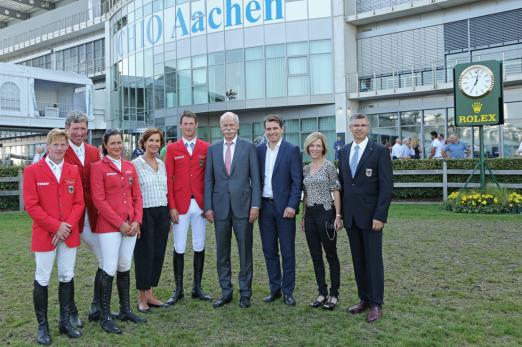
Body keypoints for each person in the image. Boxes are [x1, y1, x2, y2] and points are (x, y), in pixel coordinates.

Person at [23, 128, 85, 345]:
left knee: (67, 276)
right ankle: (43, 326)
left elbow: (79, 202)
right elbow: (31, 205)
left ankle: (65, 322)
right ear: (48, 146)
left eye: (63, 145)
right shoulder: (32, 171)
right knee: (42, 278)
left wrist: (65, 227)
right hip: (45, 235)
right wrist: (55, 226)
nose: (59, 148)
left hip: (68, 234)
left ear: (67, 146)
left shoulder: (72, 170)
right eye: (55, 145)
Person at [338, 113, 393, 323]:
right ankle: (364, 300)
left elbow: (386, 187)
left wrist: (380, 215)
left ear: (368, 127)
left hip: (372, 218)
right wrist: (340, 214)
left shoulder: (379, 151)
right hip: (351, 218)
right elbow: (342, 186)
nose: (359, 128)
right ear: (350, 127)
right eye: (355, 125)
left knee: (373, 261)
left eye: (363, 125)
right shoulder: (343, 152)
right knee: (358, 261)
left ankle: (376, 304)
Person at [90, 129, 146, 334]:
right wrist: (119, 224)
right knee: (110, 267)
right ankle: (104, 316)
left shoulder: (130, 166)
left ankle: (125, 310)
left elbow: (137, 197)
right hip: (109, 227)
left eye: (119, 142)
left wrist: (137, 221)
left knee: (124, 265)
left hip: (131, 225)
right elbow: (99, 200)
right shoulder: (98, 167)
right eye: (112, 143)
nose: (117, 146)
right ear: (105, 145)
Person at [204, 112, 261, 309]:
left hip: (244, 208)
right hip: (219, 209)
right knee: (222, 253)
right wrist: (208, 207)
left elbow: (256, 178)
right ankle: (226, 291)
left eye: (231, 125)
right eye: (224, 125)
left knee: (245, 252)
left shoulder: (248, 147)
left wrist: (255, 205)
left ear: (237, 126)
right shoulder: (213, 149)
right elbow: (208, 181)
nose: (228, 128)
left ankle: (245, 293)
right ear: (221, 128)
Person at [164, 111, 211, 306]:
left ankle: (197, 287)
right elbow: (168, 179)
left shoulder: (206, 148)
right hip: (180, 206)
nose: (189, 127)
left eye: (192, 123)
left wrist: (208, 206)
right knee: (180, 246)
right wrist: (171, 206)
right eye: (185, 124)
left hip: (199, 206)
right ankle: (178, 289)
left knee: (199, 244)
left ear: (197, 125)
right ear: (180, 126)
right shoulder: (172, 149)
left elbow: (210, 179)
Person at [256, 114, 302, 306]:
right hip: (265, 207)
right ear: (265, 130)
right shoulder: (258, 150)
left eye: (275, 128)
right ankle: (274, 288)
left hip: (285, 209)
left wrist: (292, 205)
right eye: (268, 129)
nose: (272, 132)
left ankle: (288, 291)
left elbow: (297, 181)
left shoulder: (291, 150)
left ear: (282, 129)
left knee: (287, 251)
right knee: (269, 250)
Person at [63, 111, 102, 326]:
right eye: (75, 128)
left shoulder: (93, 151)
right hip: (69, 219)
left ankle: (97, 304)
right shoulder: (60, 149)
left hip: (92, 217)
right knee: (67, 268)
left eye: (83, 128)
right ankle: (71, 311)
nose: (79, 132)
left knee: (106, 259)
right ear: (67, 129)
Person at [301, 132, 343, 311]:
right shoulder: (305, 168)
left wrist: (338, 216)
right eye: (312, 145)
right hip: (310, 214)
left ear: (323, 148)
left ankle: (334, 294)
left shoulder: (329, 167)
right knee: (315, 256)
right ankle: (322, 292)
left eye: (318, 145)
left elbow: (336, 190)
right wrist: (303, 216)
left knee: (331, 255)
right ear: (308, 147)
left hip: (326, 213)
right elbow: (306, 194)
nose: (315, 148)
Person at [132, 129, 170, 313]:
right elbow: (133, 194)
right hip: (144, 214)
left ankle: (150, 294)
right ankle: (141, 297)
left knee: (157, 254)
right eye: (151, 140)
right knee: (143, 256)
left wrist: (168, 216)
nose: (155, 144)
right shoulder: (135, 165)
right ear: (144, 142)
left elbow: (165, 190)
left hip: (162, 212)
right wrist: (136, 220)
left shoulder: (162, 164)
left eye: (158, 140)